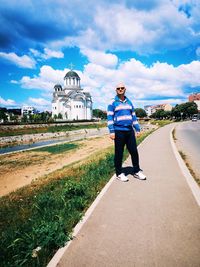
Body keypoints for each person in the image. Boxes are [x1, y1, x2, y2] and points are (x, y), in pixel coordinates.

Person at [107, 82, 146, 182]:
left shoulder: (129, 102)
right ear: (116, 90)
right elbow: (110, 117)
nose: (120, 89)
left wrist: (137, 129)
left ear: (125, 89)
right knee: (119, 153)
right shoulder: (112, 102)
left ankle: (136, 171)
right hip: (118, 131)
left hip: (129, 131)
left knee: (134, 151)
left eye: (122, 88)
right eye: (118, 88)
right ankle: (119, 173)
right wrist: (112, 131)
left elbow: (133, 116)